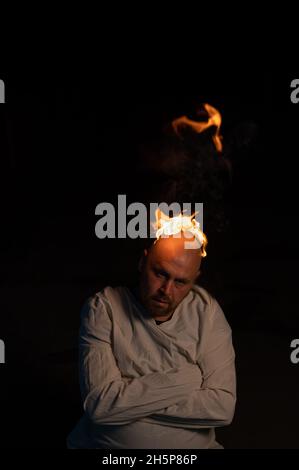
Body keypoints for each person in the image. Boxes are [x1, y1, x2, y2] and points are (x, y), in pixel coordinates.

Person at [67, 224, 236, 449]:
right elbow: (100, 406)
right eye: (160, 273)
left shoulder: (207, 313)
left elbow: (222, 408)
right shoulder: (104, 308)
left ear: (194, 280)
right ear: (142, 261)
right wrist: (187, 379)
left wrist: (127, 402)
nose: (166, 290)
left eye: (180, 282)